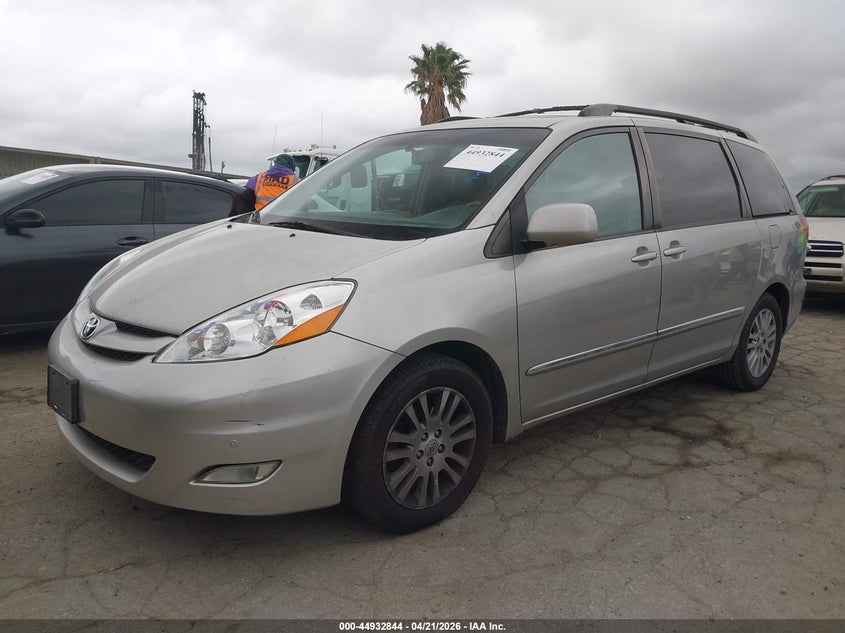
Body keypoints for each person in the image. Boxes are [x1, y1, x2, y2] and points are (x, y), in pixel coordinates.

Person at [229, 154, 299, 216]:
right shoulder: (297, 181)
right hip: (283, 219)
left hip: (260, 216)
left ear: (275, 164)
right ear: (292, 166)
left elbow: (247, 190)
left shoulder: (260, 177)